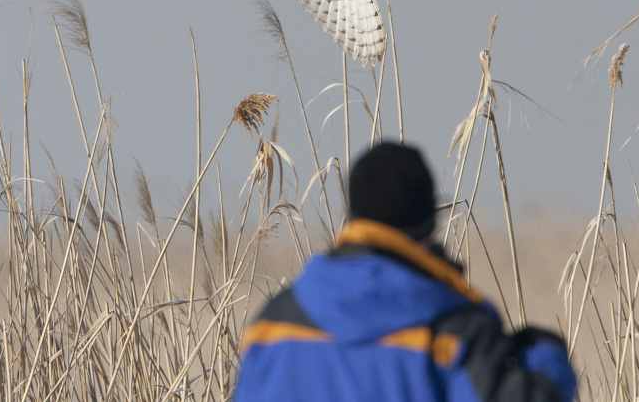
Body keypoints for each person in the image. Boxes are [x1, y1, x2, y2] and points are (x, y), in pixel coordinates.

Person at [234, 142, 577, 401]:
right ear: (429, 225)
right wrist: (547, 357)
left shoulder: (273, 326)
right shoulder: (456, 333)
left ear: (354, 216)